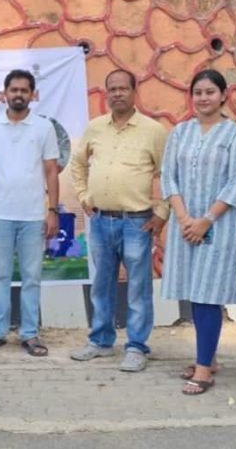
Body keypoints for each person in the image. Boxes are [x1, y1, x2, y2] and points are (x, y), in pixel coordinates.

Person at [160, 69, 236, 396]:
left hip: (219, 226)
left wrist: (205, 220)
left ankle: (203, 370)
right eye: (198, 92)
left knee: (207, 295)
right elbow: (167, 177)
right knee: (194, 291)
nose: (203, 98)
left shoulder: (235, 134)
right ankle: (207, 358)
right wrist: (185, 218)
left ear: (224, 95)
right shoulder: (180, 133)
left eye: (210, 92)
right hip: (184, 226)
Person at [69, 70, 168, 373]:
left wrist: (162, 213)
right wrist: (84, 195)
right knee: (102, 285)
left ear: (134, 91)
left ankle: (137, 347)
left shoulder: (153, 131)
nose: (117, 94)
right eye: (112, 89)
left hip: (136, 222)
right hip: (100, 221)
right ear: (106, 93)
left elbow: (169, 174)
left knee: (138, 287)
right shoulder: (96, 128)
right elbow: (78, 163)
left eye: (123, 88)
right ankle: (100, 341)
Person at [0, 69, 60, 358]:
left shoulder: (43, 128)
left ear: (32, 95)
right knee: (0, 275)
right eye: (14, 90)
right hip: (0, 214)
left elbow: (51, 170)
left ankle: (30, 333)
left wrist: (52, 211)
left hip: (34, 214)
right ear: (5, 93)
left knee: (32, 276)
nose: (19, 94)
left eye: (24, 90)